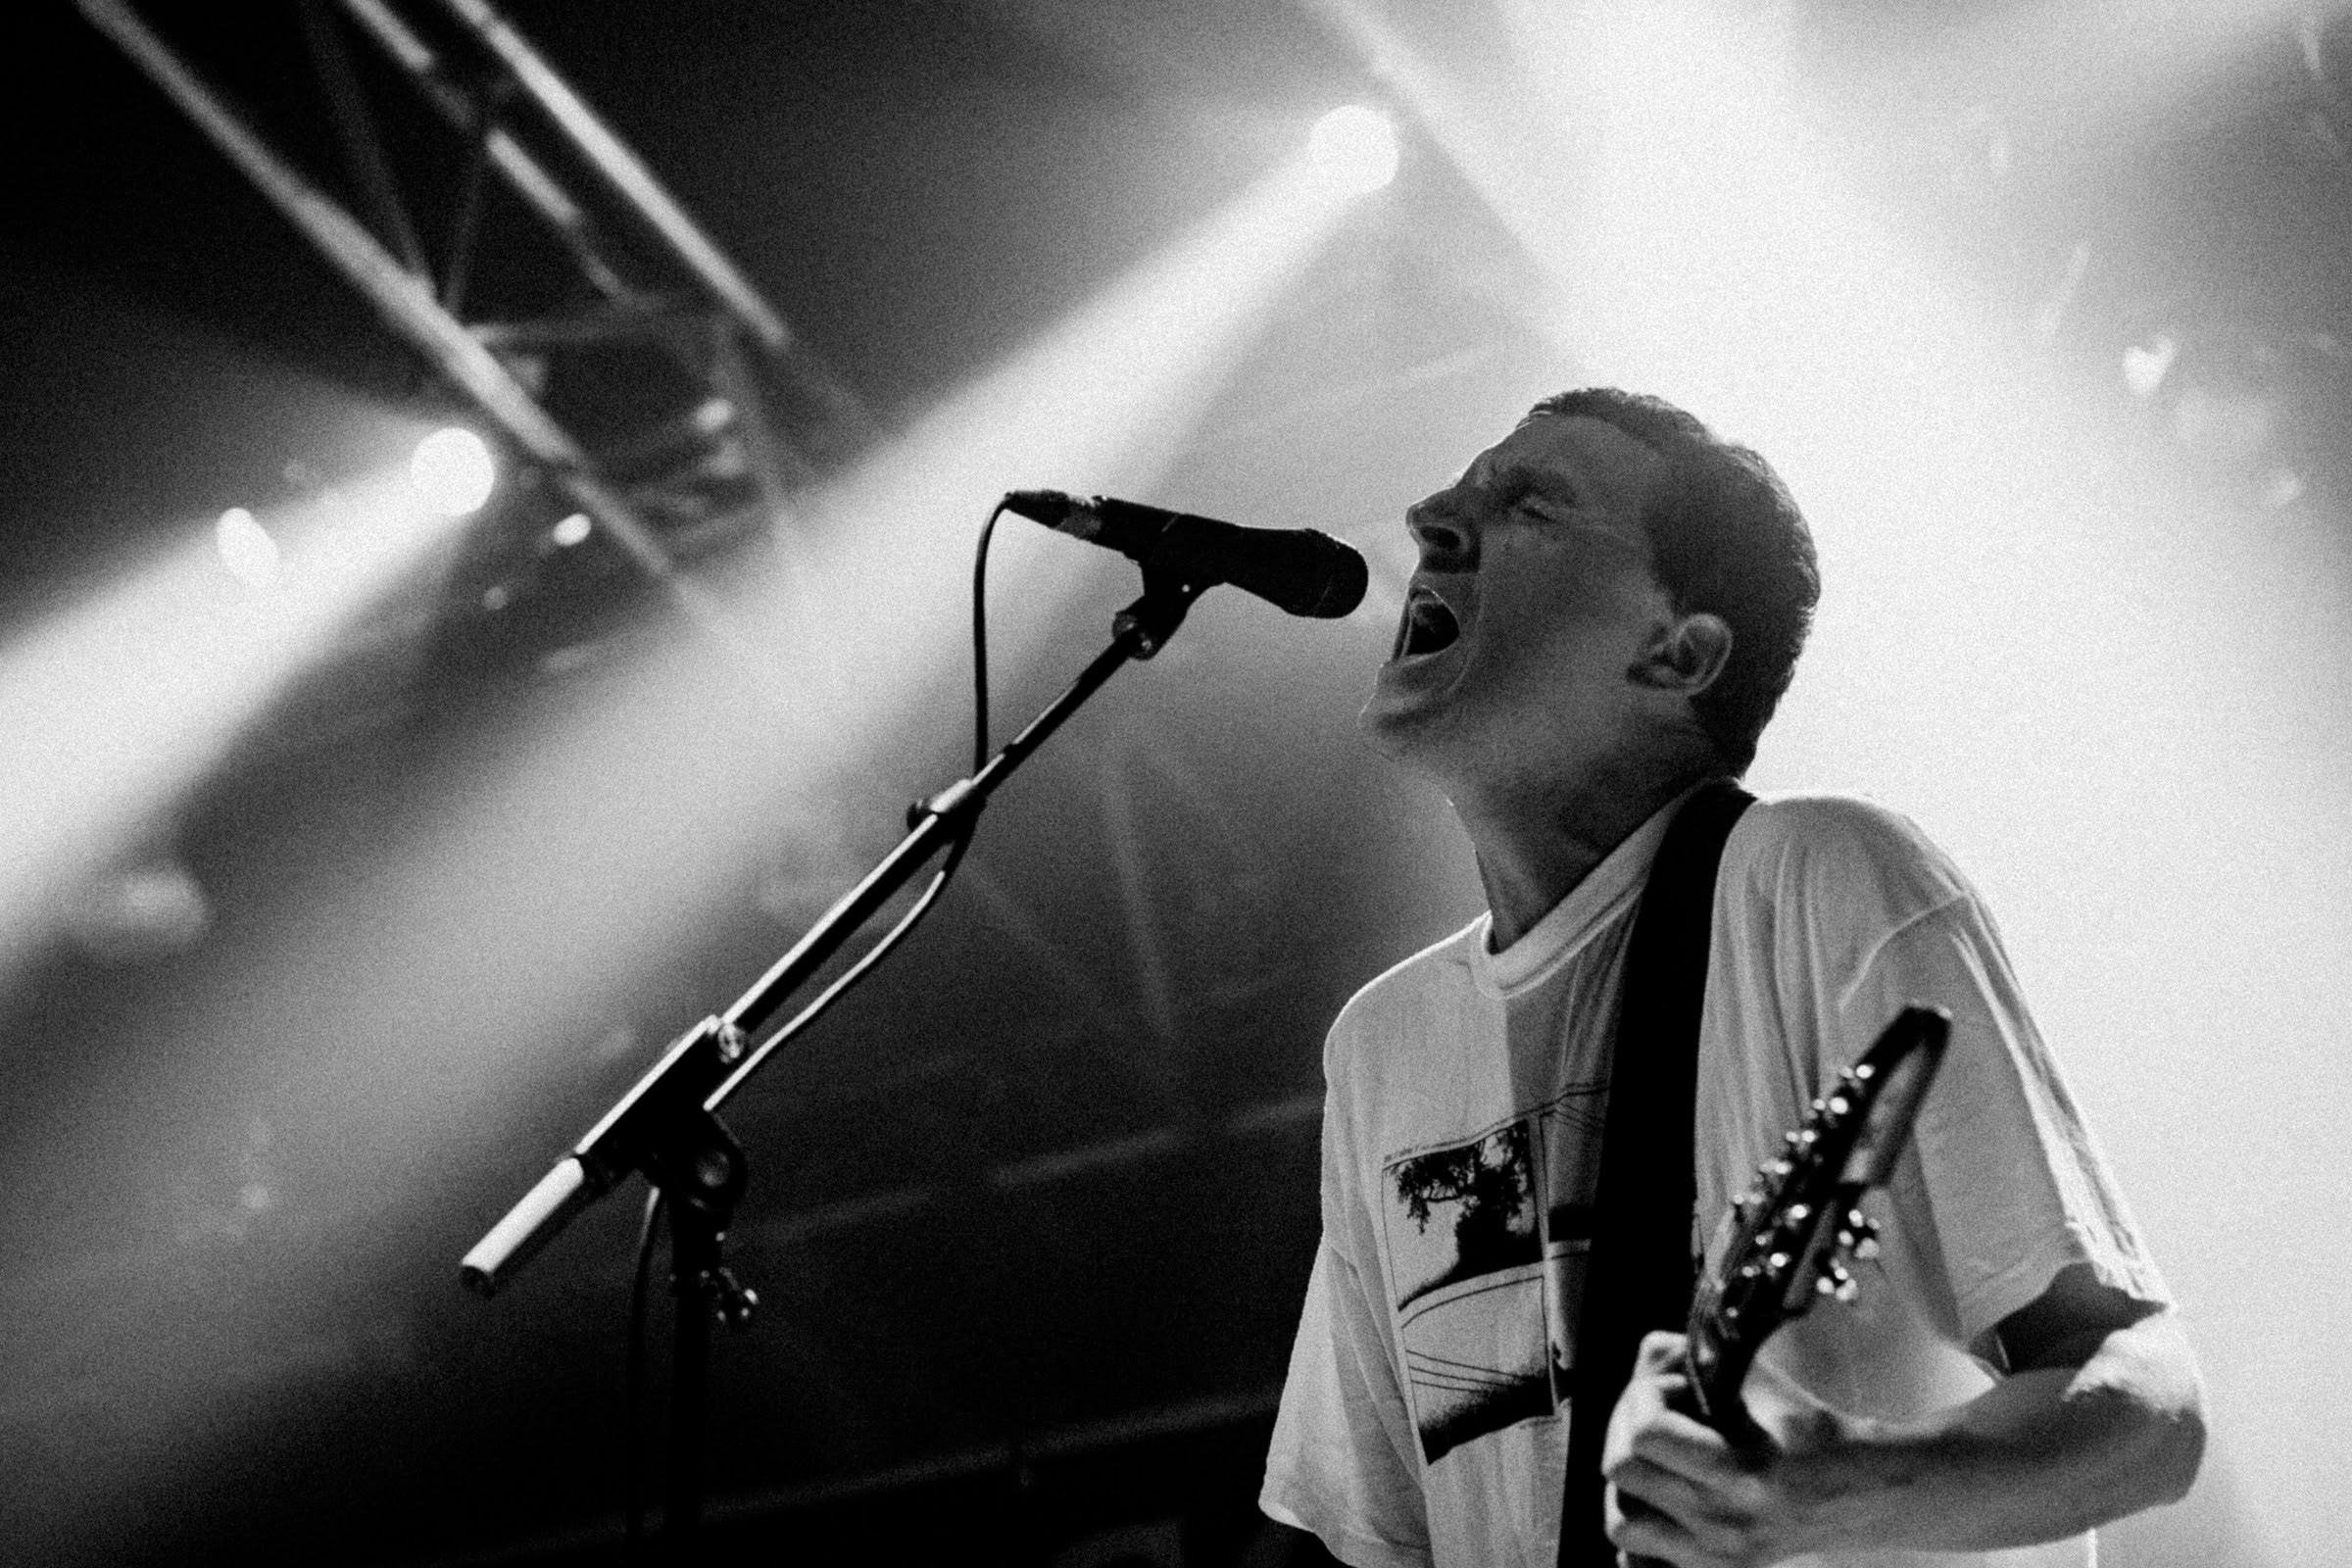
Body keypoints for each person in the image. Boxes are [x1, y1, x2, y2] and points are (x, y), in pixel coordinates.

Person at [1257, 389, 2205, 1568]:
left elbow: (2149, 1409)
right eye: (1459, 493)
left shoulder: (1816, 879)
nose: (1432, 518)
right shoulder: (1382, 1045)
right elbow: (1380, 1539)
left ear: (1679, 651)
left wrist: (1832, 1486)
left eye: (1530, 505)